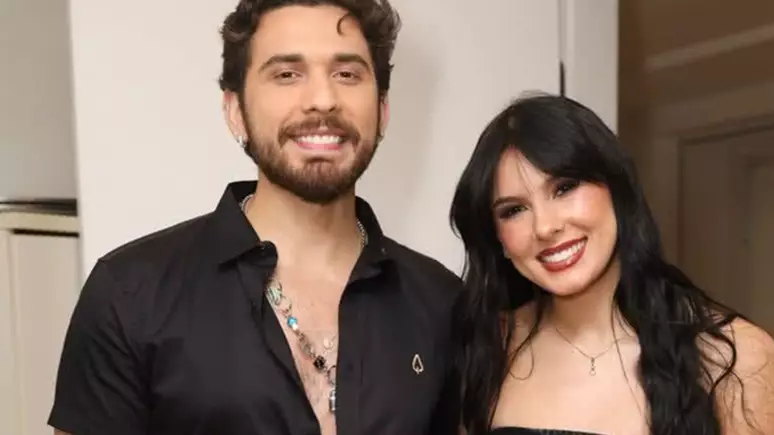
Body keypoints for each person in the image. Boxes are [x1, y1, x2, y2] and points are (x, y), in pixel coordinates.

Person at [48, 1, 462, 434]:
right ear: (236, 112)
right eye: (287, 74)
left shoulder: (442, 303)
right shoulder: (130, 294)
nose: (323, 100)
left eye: (346, 74)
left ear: (383, 109)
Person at [449, 94, 774, 435]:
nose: (545, 227)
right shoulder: (487, 346)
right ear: (497, 238)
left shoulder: (734, 357)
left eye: (564, 188)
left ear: (616, 188)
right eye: (514, 210)